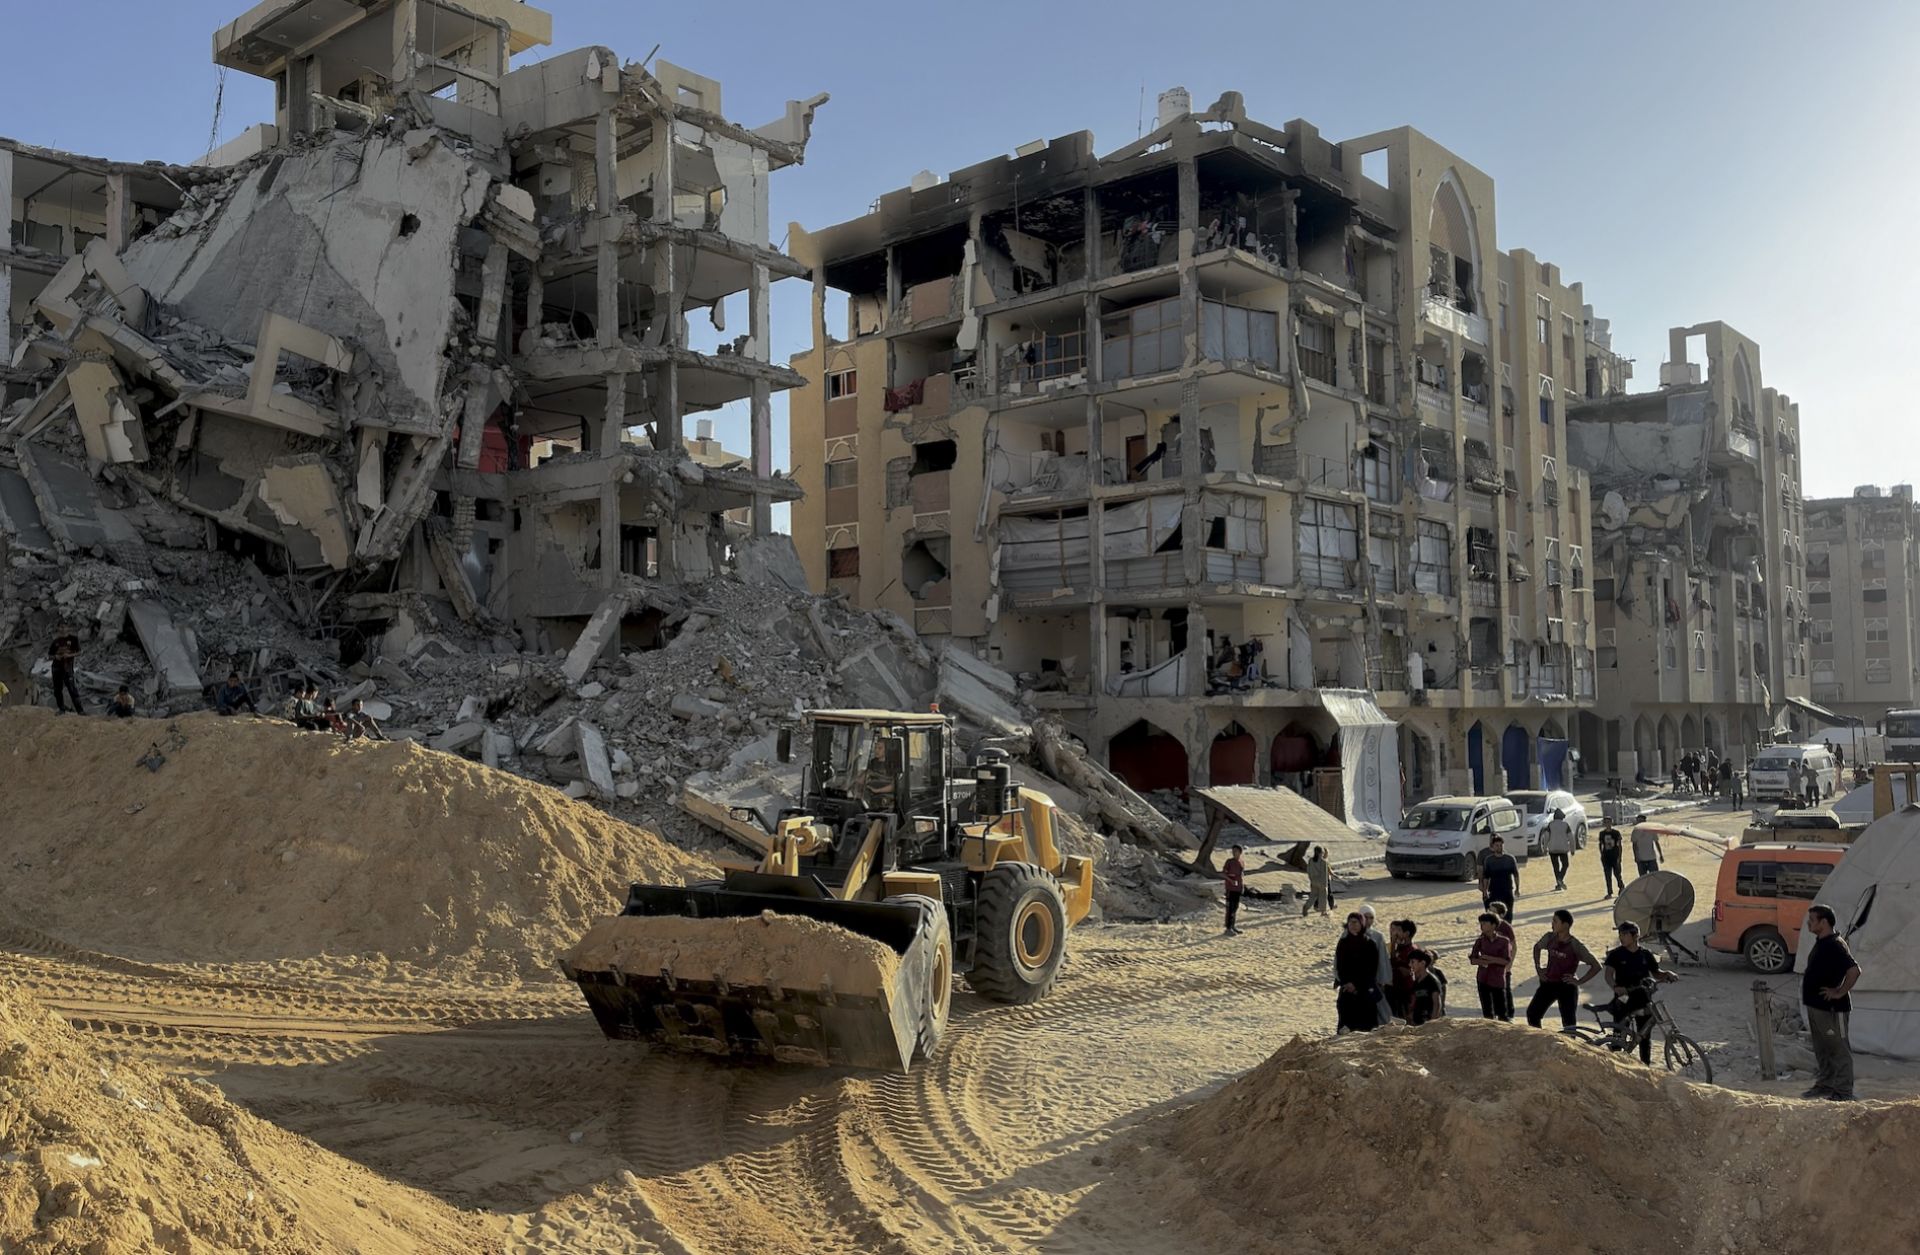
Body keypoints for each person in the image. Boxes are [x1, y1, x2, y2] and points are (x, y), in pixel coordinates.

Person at [1801, 904, 1861, 1101]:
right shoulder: (1822, 941)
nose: (1809, 924)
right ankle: (1826, 1084)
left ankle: (1843, 1091)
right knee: (1822, 1048)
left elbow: (1854, 970)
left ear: (1823, 922)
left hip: (1833, 1009)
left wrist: (1839, 992)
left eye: (1812, 920)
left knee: (1839, 1048)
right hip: (1816, 1006)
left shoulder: (1836, 944)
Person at [1601, 921, 1678, 1064]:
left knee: (1645, 1036)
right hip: (1623, 998)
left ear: (1635, 936)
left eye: (1624, 934)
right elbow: (1608, 975)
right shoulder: (1616, 954)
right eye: (1620, 934)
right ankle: (1616, 1064)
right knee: (1618, 1035)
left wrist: (1667, 974)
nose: (1621, 937)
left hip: (1643, 998)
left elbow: (1656, 973)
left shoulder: (1646, 954)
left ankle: (1645, 1066)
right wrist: (1615, 987)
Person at [1528, 908, 1600, 1030]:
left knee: (1569, 1023)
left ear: (1565, 925)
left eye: (1555, 921)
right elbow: (1537, 947)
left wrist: (1579, 981)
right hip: (1548, 984)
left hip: (1566, 987)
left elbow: (1596, 966)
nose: (1552, 924)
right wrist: (1538, 968)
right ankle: (1539, 1041)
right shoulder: (1549, 937)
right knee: (1532, 1014)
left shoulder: (1575, 945)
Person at [1334, 913, 1382, 1034]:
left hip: (1364, 990)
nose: (1353, 925)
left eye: (1356, 922)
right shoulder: (1343, 943)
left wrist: (1356, 985)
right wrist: (1346, 983)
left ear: (1362, 924)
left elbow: (1371, 969)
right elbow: (1340, 966)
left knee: (1365, 1027)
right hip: (1347, 990)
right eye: (1350, 922)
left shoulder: (1370, 944)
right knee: (1345, 1025)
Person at [1469, 913, 1514, 1021]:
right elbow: (1473, 959)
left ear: (1493, 925)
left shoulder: (1504, 941)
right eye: (1481, 923)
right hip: (1483, 978)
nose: (1482, 926)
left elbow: (1506, 960)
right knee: (1487, 1012)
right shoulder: (1480, 941)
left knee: (1502, 1013)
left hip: (1497, 979)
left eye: (1484, 923)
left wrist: (1490, 959)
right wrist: (1481, 961)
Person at [1358, 904, 1394, 1025]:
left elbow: (1383, 959)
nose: (1368, 920)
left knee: (1381, 1007)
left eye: (1371, 917)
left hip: (1373, 978)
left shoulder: (1377, 936)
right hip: (1355, 979)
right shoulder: (1350, 934)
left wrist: (1384, 979)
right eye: (1365, 917)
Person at [1489, 900, 1519, 1019]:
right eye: (1489, 911)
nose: (1489, 913)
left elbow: (1514, 946)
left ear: (1501, 915)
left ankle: (1508, 1014)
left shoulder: (1506, 927)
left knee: (1505, 989)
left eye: (1493, 912)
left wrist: (1509, 964)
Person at [1478, 834, 1521, 917]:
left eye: (1501, 845)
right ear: (1493, 847)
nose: (1499, 847)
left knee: (1508, 916)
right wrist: (1484, 891)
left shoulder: (1510, 859)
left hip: (1507, 891)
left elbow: (1516, 875)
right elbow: (1486, 877)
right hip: (1494, 892)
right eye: (1497, 845)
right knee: (1493, 916)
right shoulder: (1489, 860)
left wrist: (1517, 888)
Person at [48, 626, 84, 715]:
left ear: (68, 629)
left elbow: (79, 652)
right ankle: (61, 709)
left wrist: (69, 655)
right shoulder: (55, 641)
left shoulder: (73, 639)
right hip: (56, 668)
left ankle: (80, 710)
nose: (62, 630)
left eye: (64, 628)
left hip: (67, 668)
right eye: (61, 628)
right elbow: (50, 655)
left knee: (72, 689)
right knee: (57, 690)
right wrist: (56, 656)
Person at [1388, 920, 1419, 1020]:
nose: (1397, 933)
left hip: (1406, 989)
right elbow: (1393, 960)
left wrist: (1399, 968)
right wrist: (1393, 943)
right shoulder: (1400, 948)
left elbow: (1407, 971)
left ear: (1406, 933)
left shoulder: (1412, 950)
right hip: (1395, 987)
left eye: (1399, 930)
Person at [1405, 948, 1445, 1025]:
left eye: (1413, 962)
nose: (1410, 965)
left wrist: (1432, 1023)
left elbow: (1437, 1003)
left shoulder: (1432, 981)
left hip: (1428, 1021)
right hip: (1418, 1021)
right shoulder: (1417, 981)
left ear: (1422, 963)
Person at [1542, 807, 1576, 892]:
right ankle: (1560, 879)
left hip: (1552, 849)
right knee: (1565, 865)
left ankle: (1558, 883)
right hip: (1563, 848)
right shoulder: (1565, 825)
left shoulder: (1550, 825)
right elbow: (1571, 838)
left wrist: (1545, 848)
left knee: (1555, 867)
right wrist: (1572, 849)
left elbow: (1546, 837)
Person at [1596, 823, 1625, 898]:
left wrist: (1619, 856)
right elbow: (1601, 844)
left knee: (1617, 874)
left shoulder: (1616, 833)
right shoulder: (1602, 833)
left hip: (1614, 856)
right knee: (1607, 875)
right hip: (1606, 857)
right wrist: (1601, 854)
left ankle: (1621, 887)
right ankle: (1609, 892)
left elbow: (1619, 845)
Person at [1222, 844, 1245, 936]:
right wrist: (1230, 880)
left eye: (1235, 851)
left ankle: (1233, 926)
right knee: (1230, 908)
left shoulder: (1241, 862)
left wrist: (1242, 886)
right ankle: (1228, 928)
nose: (1233, 853)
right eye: (1233, 851)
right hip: (1230, 888)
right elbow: (1223, 873)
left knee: (1235, 907)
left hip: (1238, 888)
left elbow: (1241, 875)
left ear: (1240, 852)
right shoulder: (1229, 862)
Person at [1303, 846, 1332, 917]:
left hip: (1313, 881)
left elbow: (1308, 871)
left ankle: (1306, 907)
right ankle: (1323, 911)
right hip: (1321, 882)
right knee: (1323, 897)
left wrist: (1311, 879)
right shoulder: (1323, 862)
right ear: (1320, 853)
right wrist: (1325, 884)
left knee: (1312, 896)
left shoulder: (1310, 860)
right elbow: (1324, 874)